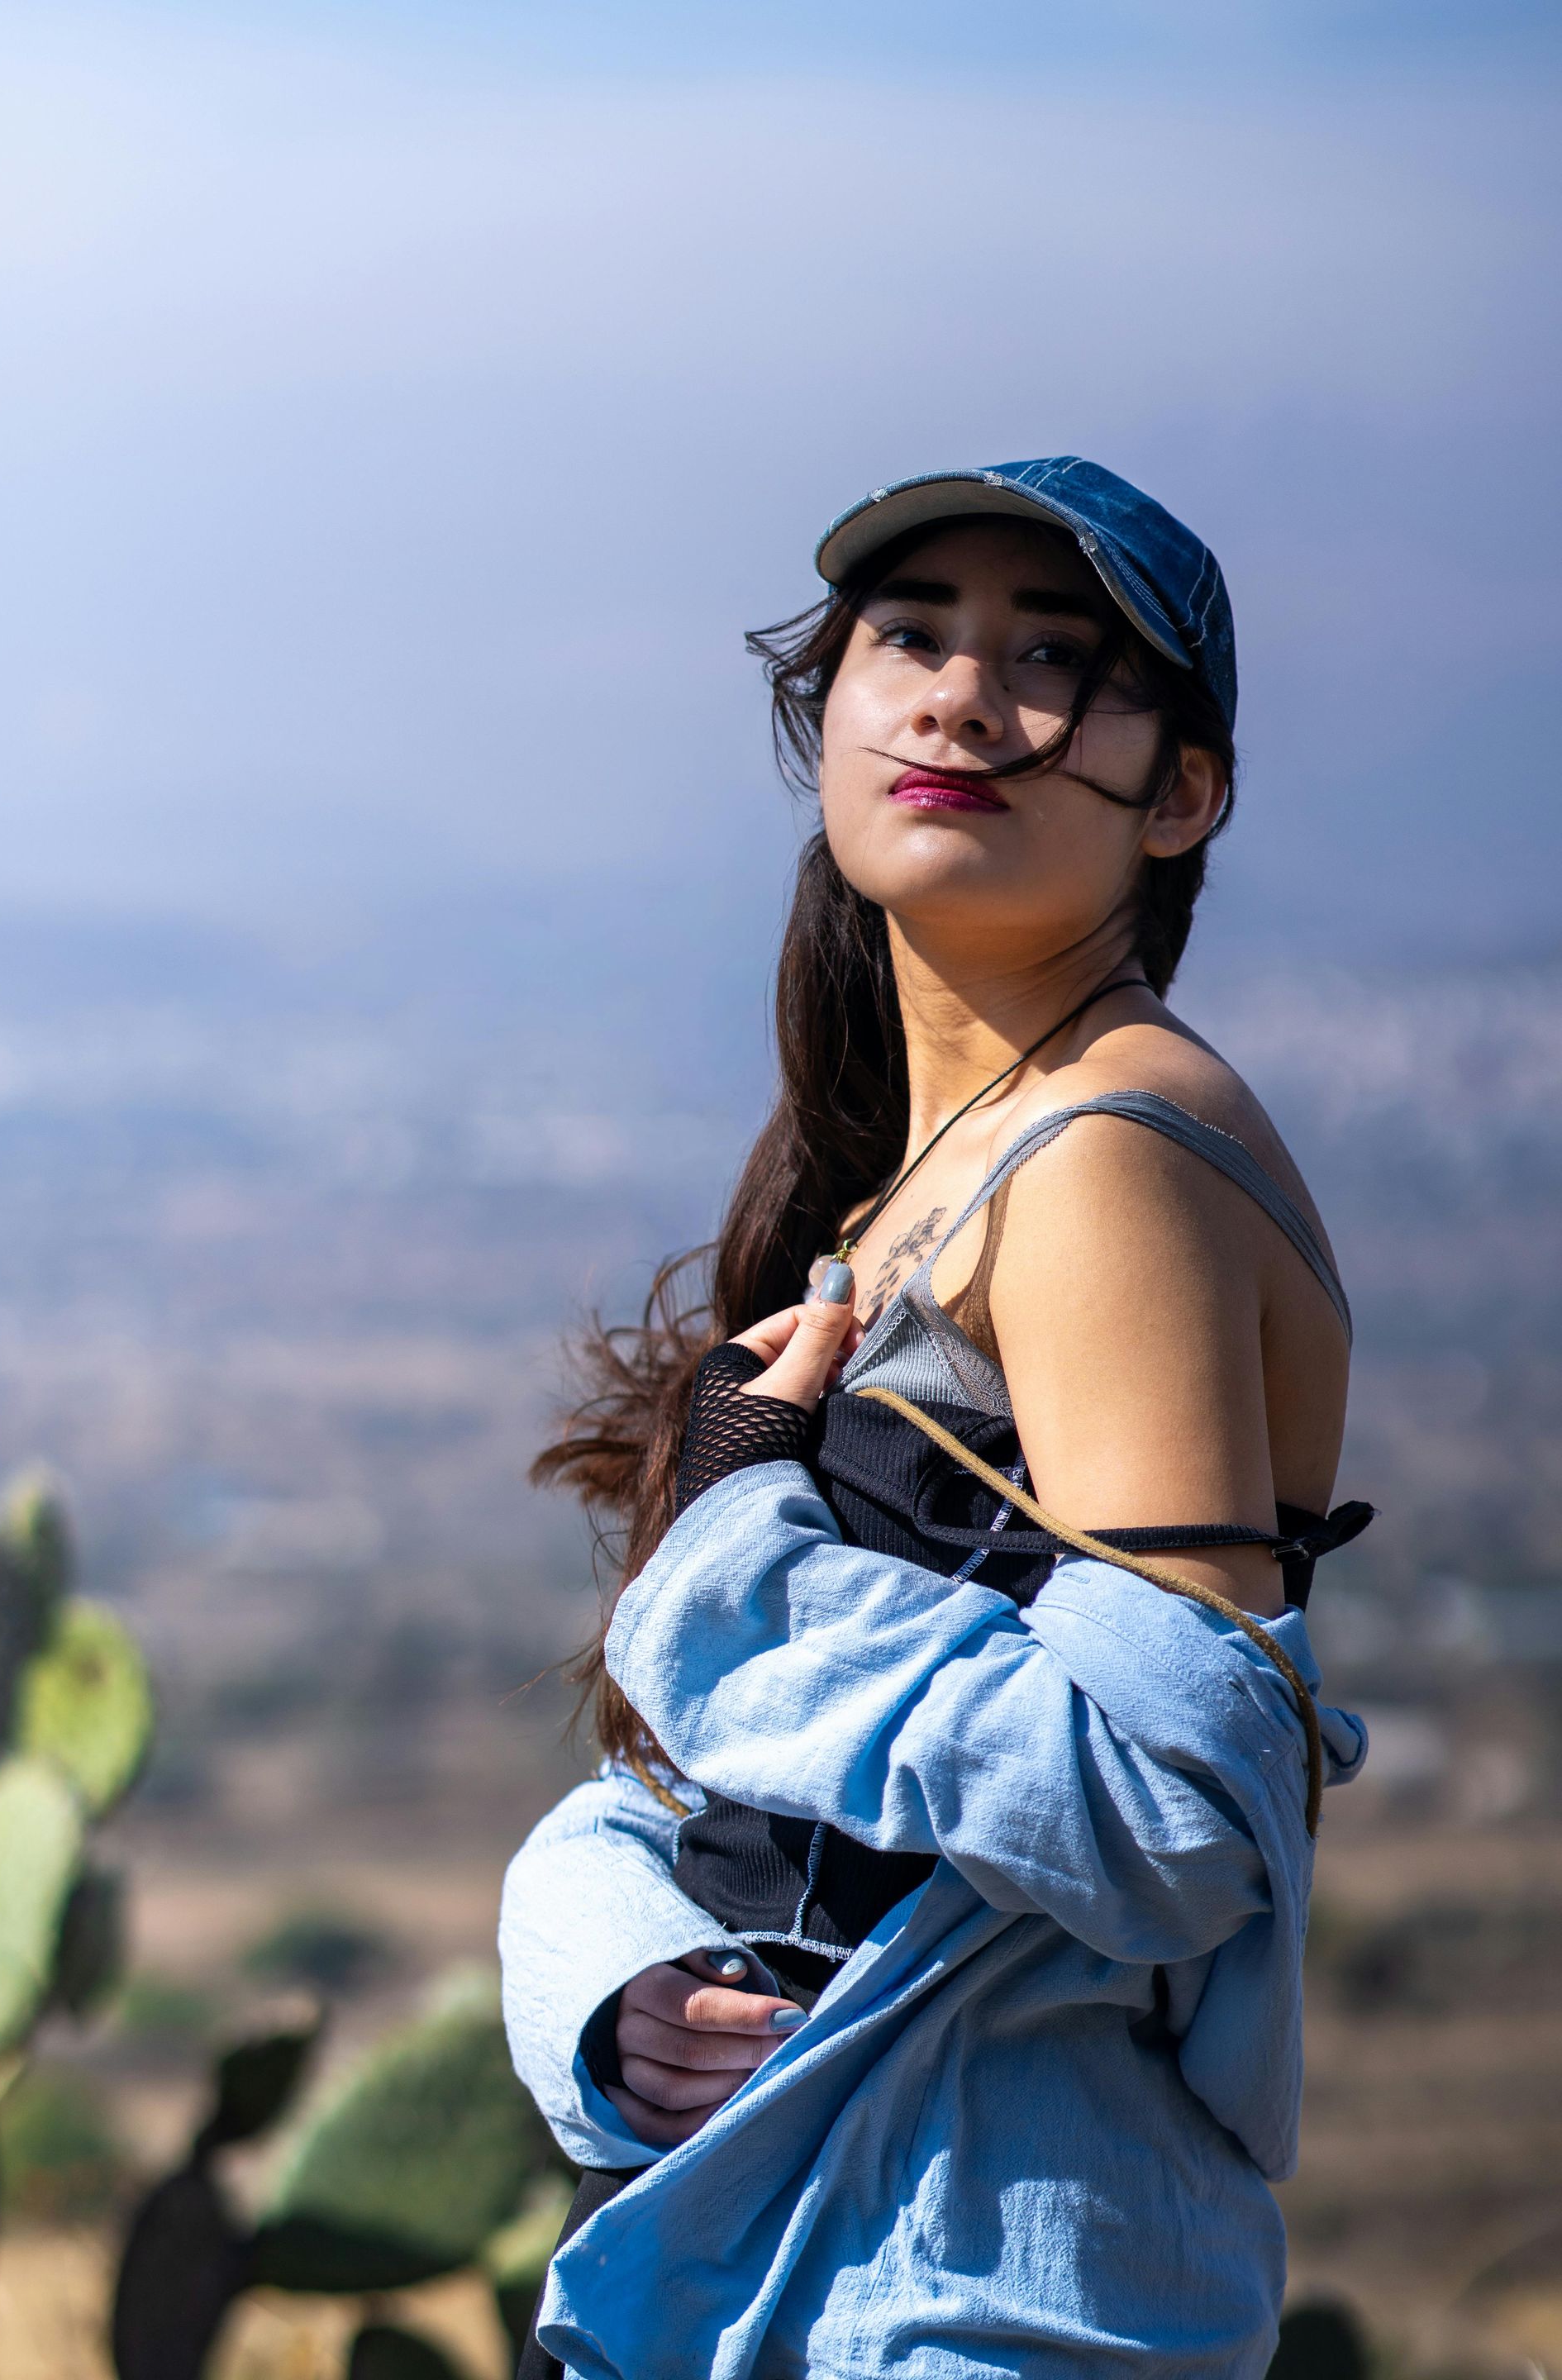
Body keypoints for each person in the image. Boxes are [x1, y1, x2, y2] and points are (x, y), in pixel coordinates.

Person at [501, 455, 1370, 2380]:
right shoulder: (907, 1178)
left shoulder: (1109, 1157)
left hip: (979, 2290)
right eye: (914, 635)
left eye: (1054, 657)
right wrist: (617, 1988)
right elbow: (725, 1778)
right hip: (818, 2257)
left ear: (1187, 793)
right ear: (831, 724)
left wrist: (738, 1539)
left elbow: (1165, 1814)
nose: (966, 694)